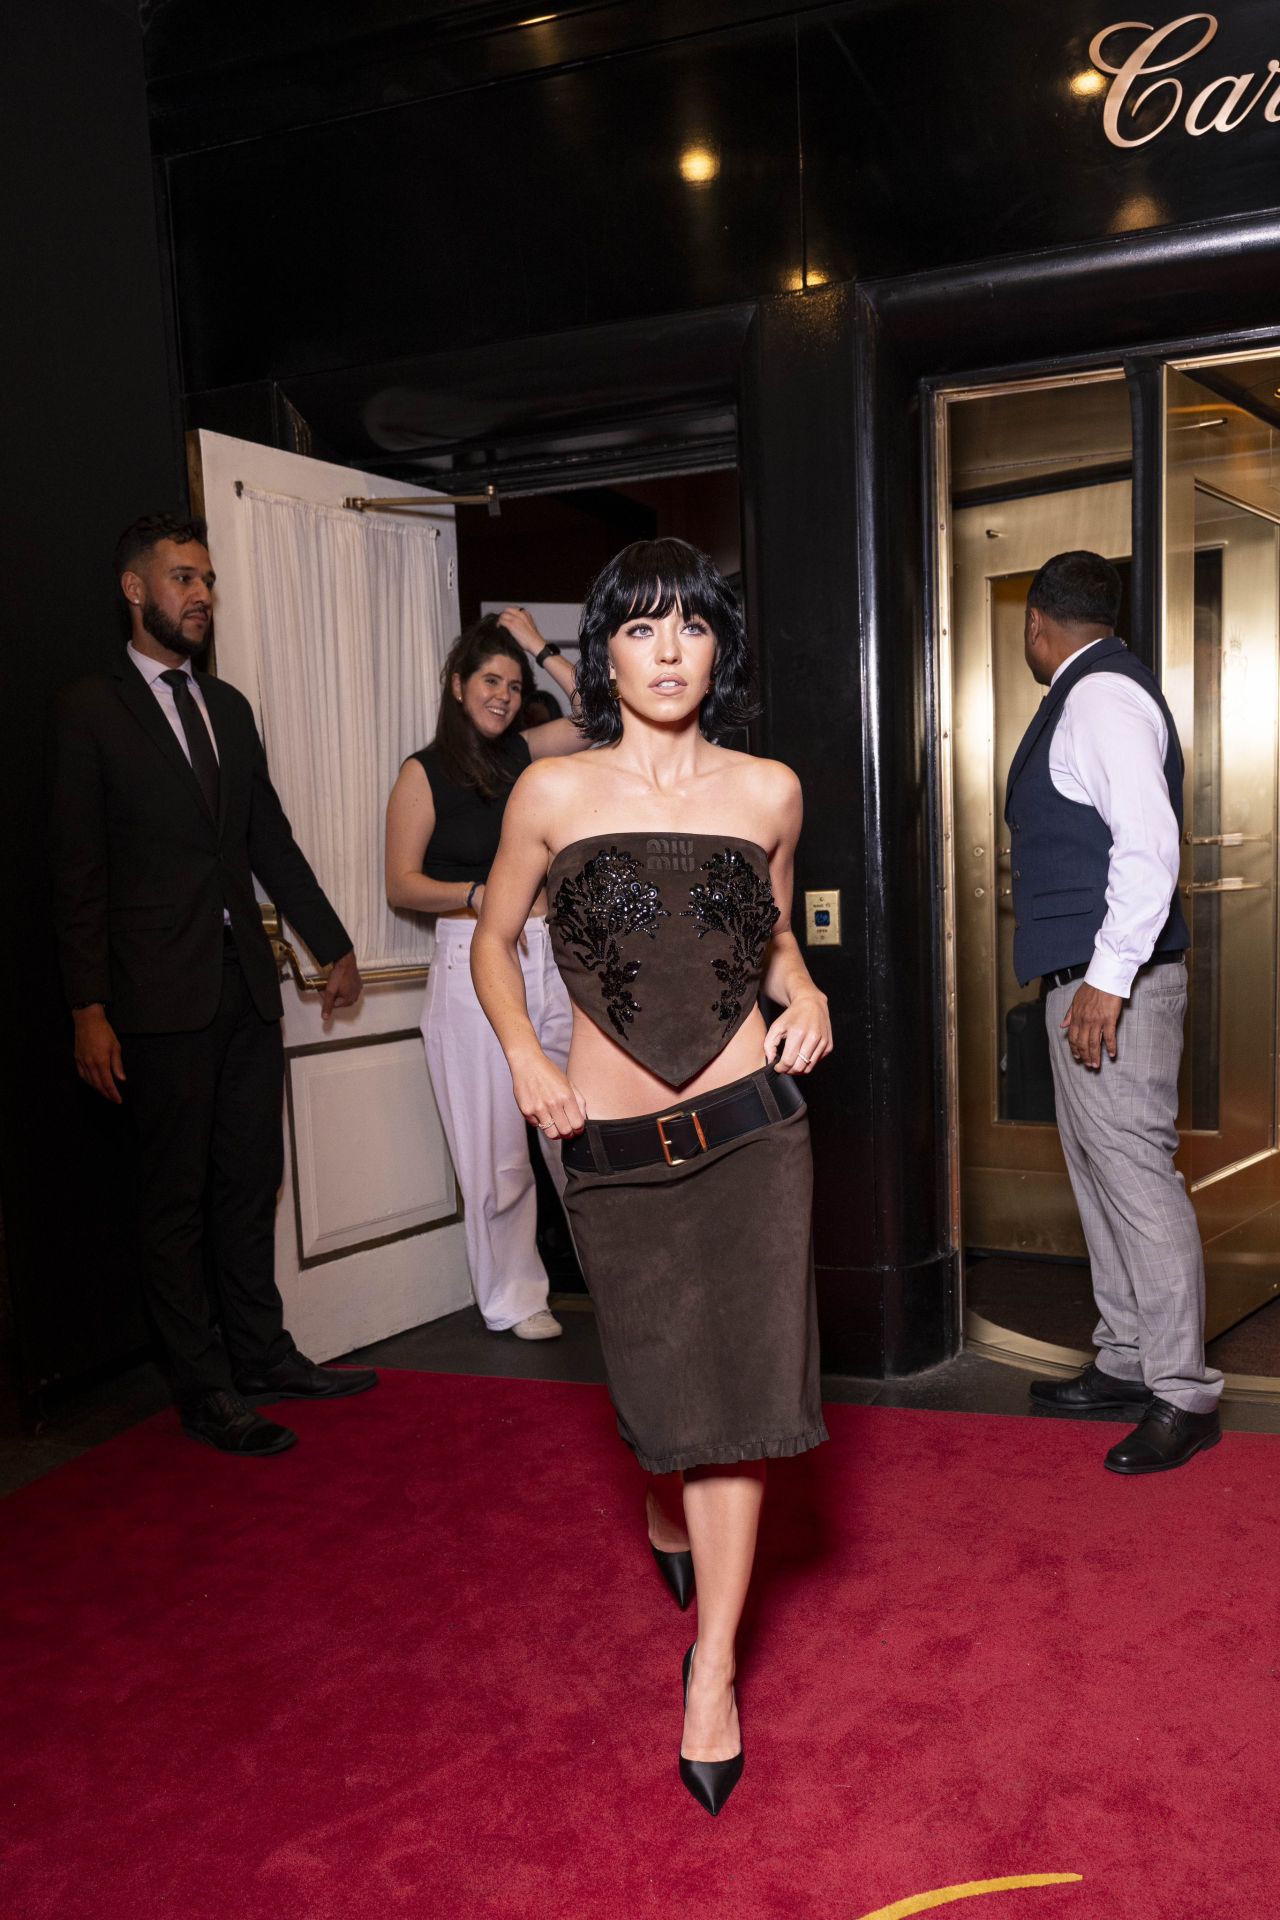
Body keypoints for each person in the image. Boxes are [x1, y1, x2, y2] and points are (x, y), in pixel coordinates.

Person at [470, 539, 831, 1814]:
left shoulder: (769, 790)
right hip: (612, 1156)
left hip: (750, 1135)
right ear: (605, 651)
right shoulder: (552, 795)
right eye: (639, 629)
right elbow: (494, 940)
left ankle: (712, 1670)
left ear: (718, 647)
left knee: (734, 1415)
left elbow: (770, 937)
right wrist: (523, 1053)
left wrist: (808, 994)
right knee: (659, 1404)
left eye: (690, 628)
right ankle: (665, 1513)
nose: (667, 651)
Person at [49, 513, 377, 1458]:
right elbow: (76, 872)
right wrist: (88, 1008)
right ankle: (204, 1388)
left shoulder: (227, 706)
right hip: (152, 1000)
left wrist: (332, 941)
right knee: (174, 1200)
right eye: (184, 578)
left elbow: (264, 837)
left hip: (245, 988)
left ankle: (265, 1355)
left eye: (208, 581)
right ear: (135, 589)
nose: (201, 595)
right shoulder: (89, 708)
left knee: (248, 1183)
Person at [1010, 550, 1223, 1471]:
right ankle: (1130, 1358)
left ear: (1036, 622)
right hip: (1091, 977)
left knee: (1136, 1176)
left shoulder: (1098, 698)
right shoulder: (1090, 691)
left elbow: (1148, 846)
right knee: (1101, 1175)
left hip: (1114, 981)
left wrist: (1107, 977)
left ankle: (1182, 1390)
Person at [385, 606, 588, 1340]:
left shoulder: (527, 755)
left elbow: (600, 712)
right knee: (498, 1148)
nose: (503, 694)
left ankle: (613, 1277)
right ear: (457, 684)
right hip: (469, 956)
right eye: (490, 680)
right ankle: (515, 1299)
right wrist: (478, 894)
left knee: (577, 1128)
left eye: (514, 681)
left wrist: (540, 645)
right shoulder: (423, 771)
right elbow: (401, 884)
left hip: (547, 957)